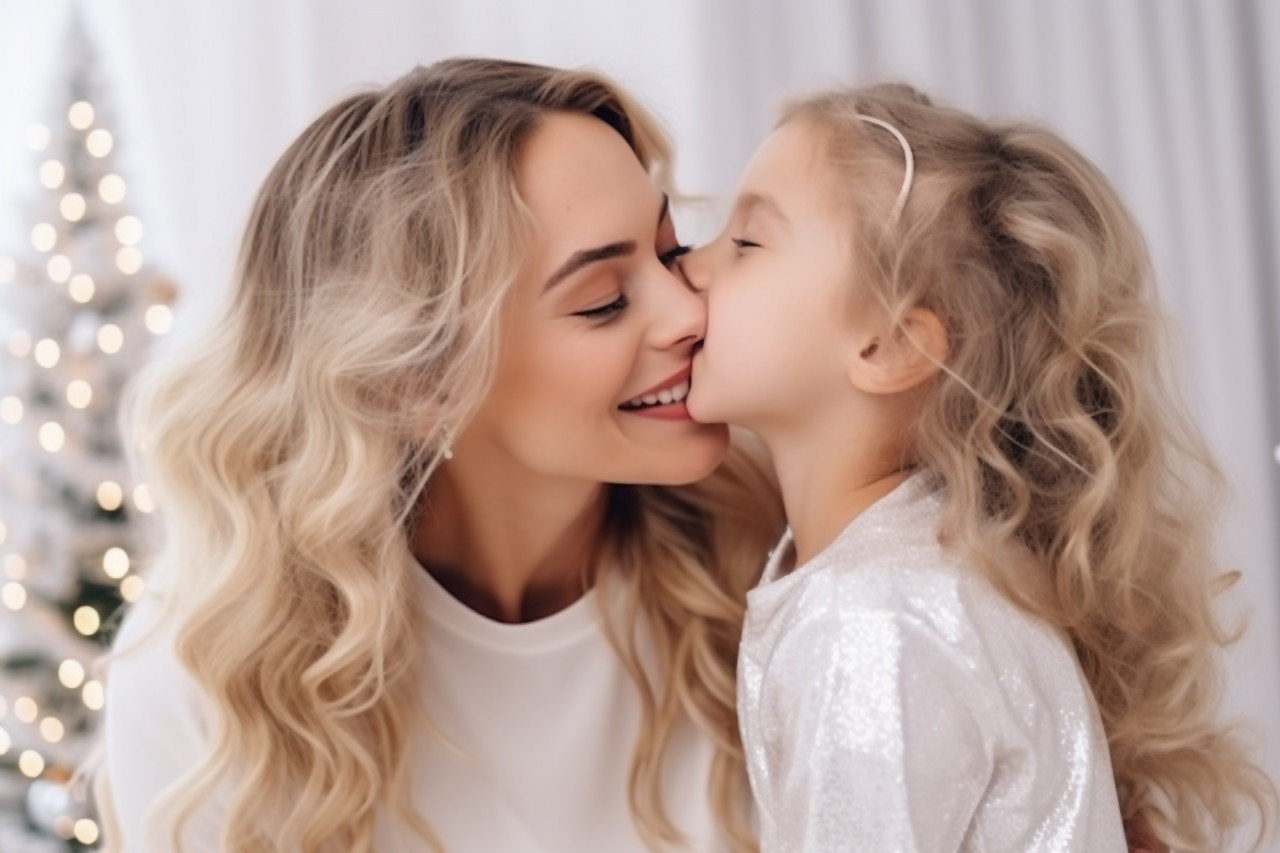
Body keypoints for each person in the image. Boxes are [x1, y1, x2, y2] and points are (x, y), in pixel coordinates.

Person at [94, 58, 783, 853]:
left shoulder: (767, 540)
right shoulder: (214, 670)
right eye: (603, 301)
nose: (689, 309)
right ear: (417, 383)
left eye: (671, 251)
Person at [679, 82, 1276, 851]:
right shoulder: (922, 581)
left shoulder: (870, 624)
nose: (690, 268)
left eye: (746, 242)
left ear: (890, 344)